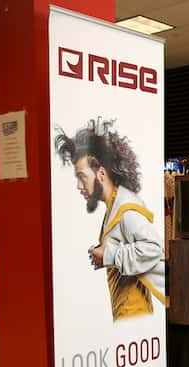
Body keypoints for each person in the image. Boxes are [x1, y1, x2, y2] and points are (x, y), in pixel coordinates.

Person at [54, 118, 166, 322]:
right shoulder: (114, 206)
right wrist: (105, 256)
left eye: (82, 177)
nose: (79, 186)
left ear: (101, 174)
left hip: (133, 315)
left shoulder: (126, 211)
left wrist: (110, 255)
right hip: (127, 313)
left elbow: (155, 249)